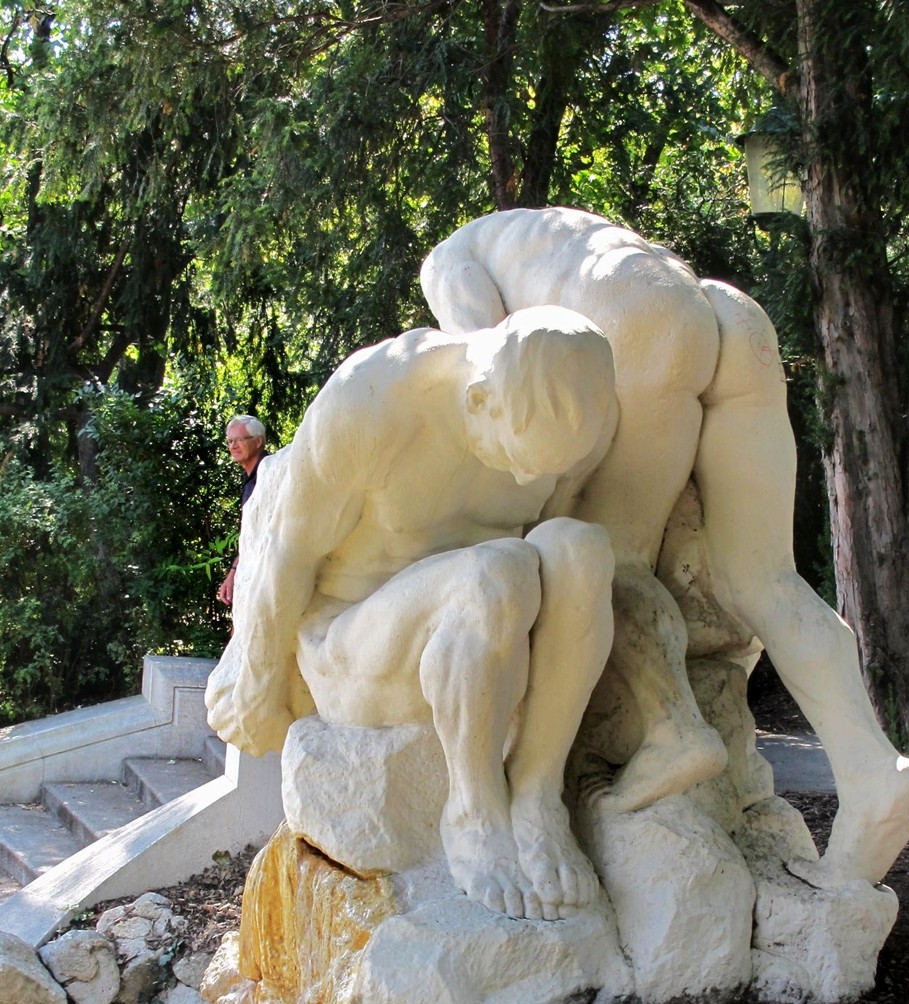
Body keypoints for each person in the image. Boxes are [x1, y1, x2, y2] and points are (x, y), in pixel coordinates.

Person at [420, 207, 909, 888]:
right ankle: (871, 770)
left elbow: (493, 367)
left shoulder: (447, 260)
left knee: (605, 558)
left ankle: (672, 731)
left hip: (639, 321)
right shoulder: (541, 229)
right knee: (766, 579)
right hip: (725, 314)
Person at [205, 307, 620, 921]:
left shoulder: (563, 427)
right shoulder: (373, 402)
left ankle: (535, 793)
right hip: (354, 643)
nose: (529, 477)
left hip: (479, 638)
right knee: (496, 570)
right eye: (520, 459)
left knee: (583, 551)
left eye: (545, 466)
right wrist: (257, 683)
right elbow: (286, 556)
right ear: (480, 400)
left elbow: (549, 544)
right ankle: (474, 810)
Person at [216, 414, 271, 608]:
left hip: (269, 574)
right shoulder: (250, 479)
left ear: (258, 442)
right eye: (230, 441)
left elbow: (264, 533)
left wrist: (235, 573)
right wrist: (234, 571)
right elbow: (250, 536)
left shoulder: (270, 473)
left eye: (240, 439)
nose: (233, 445)